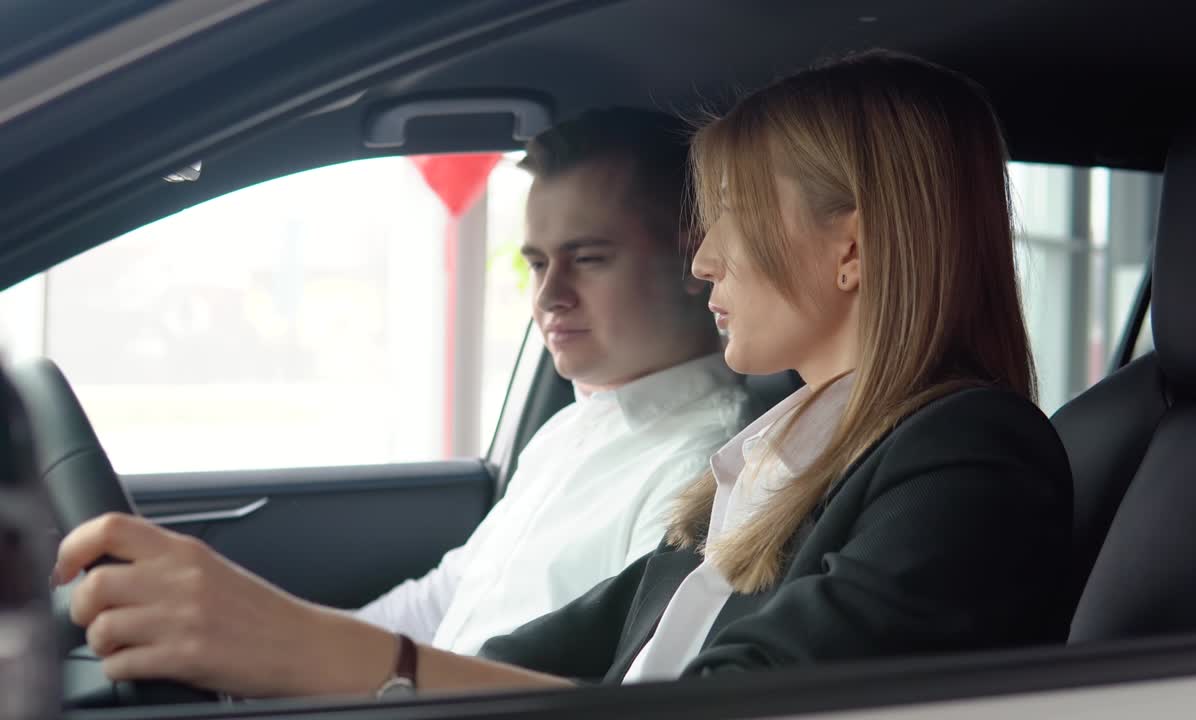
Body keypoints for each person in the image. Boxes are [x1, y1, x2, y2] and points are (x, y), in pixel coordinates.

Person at [52, 50, 1072, 697]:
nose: (704, 259)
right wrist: (265, 650)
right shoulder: (772, 466)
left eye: (730, 219)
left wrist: (337, 660)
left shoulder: (970, 454)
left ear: (849, 247)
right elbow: (554, 652)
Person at [350, 109, 748, 656]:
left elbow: (612, 688)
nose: (549, 296)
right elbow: (447, 598)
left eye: (586, 259)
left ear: (692, 260)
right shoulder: (567, 428)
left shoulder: (699, 470)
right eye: (538, 264)